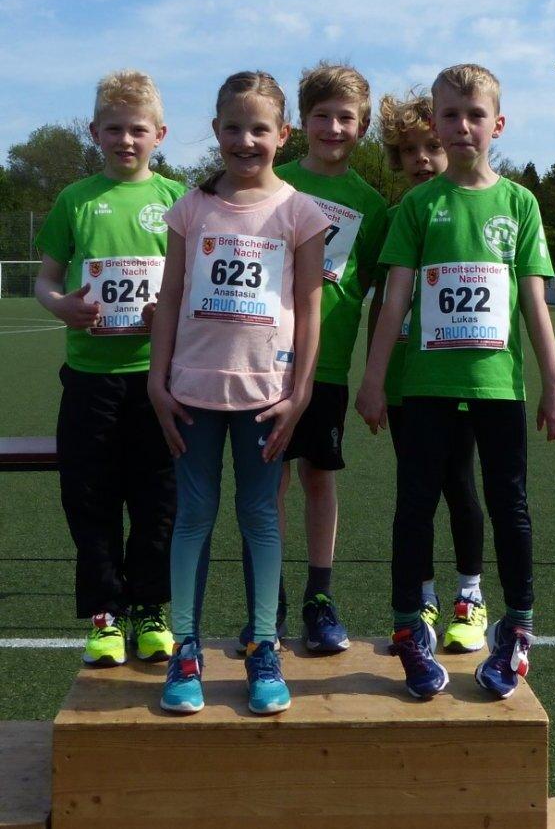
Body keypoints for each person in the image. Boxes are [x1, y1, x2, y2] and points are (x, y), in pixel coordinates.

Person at [355, 63, 555, 700]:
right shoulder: (419, 206)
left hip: (497, 389)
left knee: (510, 507)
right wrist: (374, 381)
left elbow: (534, 303)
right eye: (449, 116)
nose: (462, 127)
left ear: (497, 124)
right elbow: (394, 299)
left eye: (474, 115)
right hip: (422, 387)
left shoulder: (520, 204)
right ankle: (410, 634)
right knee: (414, 506)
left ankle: (515, 634)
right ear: (435, 123)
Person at [148, 71, 327, 715]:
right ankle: (186, 651)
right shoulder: (190, 208)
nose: (245, 140)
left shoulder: (300, 212)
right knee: (193, 518)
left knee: (259, 518)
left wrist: (301, 390)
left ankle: (263, 648)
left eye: (260, 129)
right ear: (215, 130)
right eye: (232, 127)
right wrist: (157, 380)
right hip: (192, 393)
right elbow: (169, 297)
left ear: (284, 134)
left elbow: (310, 306)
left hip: (266, 397)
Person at [33, 70, 185, 667]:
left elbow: (192, 280)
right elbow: (47, 278)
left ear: (160, 135)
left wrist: (165, 312)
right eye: (114, 129)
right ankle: (103, 613)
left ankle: (151, 608)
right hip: (90, 379)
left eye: (138, 130)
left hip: (158, 379)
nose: (126, 140)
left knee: (157, 498)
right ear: (94, 132)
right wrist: (61, 306)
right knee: (90, 496)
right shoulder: (76, 199)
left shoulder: (176, 199)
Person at [256, 62, 390, 655]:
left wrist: (378, 377)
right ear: (297, 123)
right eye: (322, 116)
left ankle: (318, 597)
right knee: (268, 484)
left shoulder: (371, 205)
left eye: (347, 118)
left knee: (318, 479)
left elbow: (388, 295)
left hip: (326, 368)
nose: (334, 128)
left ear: (362, 127)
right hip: (260, 361)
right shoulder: (271, 182)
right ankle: (269, 601)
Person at [369, 88, 488, 653]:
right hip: (405, 384)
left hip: (460, 378)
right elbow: (379, 304)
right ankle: (421, 599)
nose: (421, 158)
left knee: (460, 484)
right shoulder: (395, 218)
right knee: (414, 492)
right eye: (409, 150)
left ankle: (471, 594)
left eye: (429, 147)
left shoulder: (482, 207)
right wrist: (375, 377)